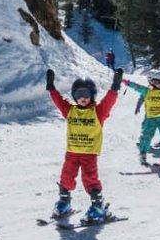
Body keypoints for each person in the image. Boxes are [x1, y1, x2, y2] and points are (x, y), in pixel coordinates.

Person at [45, 66, 125, 223]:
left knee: (90, 179)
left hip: (89, 153)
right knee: (66, 177)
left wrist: (115, 87)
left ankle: (98, 207)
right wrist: (51, 88)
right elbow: (59, 101)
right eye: (78, 94)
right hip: (72, 153)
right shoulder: (70, 110)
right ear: (74, 96)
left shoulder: (98, 112)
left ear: (92, 95)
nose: (82, 98)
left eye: (86, 94)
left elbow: (109, 101)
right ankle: (64, 203)